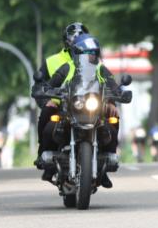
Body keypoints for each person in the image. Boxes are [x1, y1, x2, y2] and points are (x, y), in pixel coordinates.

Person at [32, 22, 122, 187]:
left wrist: (112, 101)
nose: (76, 41)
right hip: (64, 106)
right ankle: (45, 158)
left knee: (113, 118)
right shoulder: (61, 64)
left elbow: (110, 84)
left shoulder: (98, 66)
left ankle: (106, 164)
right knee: (47, 117)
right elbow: (46, 84)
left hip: (92, 107)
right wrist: (48, 99)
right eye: (74, 38)